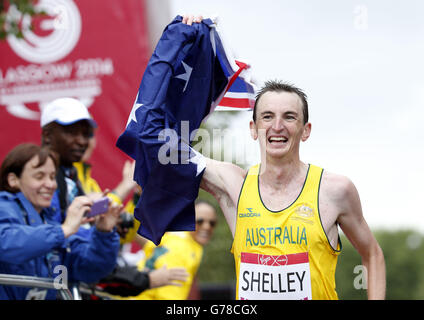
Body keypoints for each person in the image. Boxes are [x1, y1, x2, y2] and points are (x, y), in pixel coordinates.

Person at [182, 13, 385, 300]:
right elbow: (168, 148)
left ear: (305, 130)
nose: (277, 127)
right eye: (267, 116)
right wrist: (186, 42)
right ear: (254, 129)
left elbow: (373, 254)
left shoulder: (334, 190)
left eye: (289, 117)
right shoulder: (234, 184)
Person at [0, 143, 121, 300]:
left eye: (52, 176)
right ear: (13, 180)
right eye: (39, 176)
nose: (50, 185)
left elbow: (91, 269)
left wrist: (104, 233)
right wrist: (63, 230)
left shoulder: (52, 223)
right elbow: (6, 244)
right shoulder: (4, 207)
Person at [128, 199, 217, 300]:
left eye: (212, 223)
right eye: (199, 221)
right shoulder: (182, 250)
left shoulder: (174, 237)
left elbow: (144, 242)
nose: (206, 226)